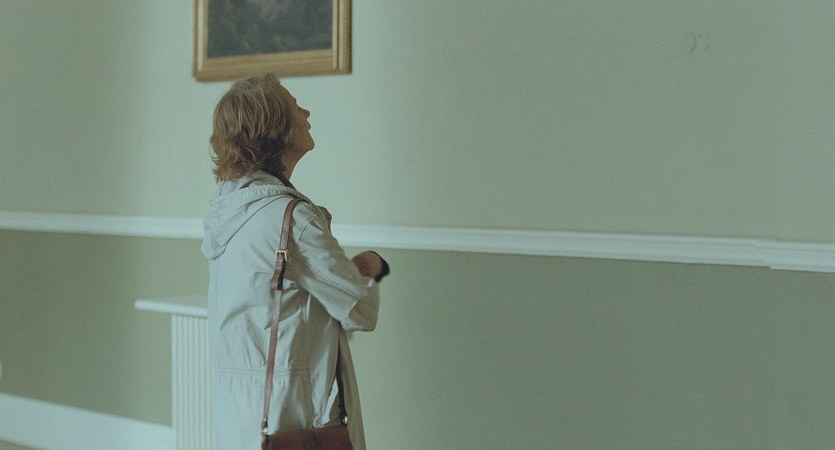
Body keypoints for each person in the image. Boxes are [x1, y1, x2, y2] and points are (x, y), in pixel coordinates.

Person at [201, 73, 389, 450]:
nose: (306, 112)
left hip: (240, 416)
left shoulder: (227, 213)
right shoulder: (292, 220)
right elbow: (360, 310)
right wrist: (369, 267)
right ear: (276, 128)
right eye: (294, 106)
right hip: (295, 418)